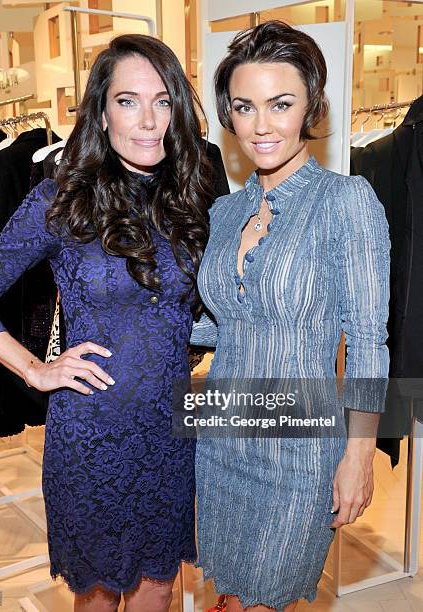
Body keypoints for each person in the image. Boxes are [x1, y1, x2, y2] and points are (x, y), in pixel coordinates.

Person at [0, 34, 222, 612]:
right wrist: (37, 371)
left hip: (171, 431)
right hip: (91, 435)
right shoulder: (62, 200)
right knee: (97, 596)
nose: (148, 121)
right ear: (101, 111)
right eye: (128, 101)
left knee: (158, 586)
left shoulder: (189, 196)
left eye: (163, 101)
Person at [190, 21, 390, 612]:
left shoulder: (346, 202)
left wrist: (358, 456)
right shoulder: (225, 212)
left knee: (267, 600)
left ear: (311, 106)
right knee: (225, 595)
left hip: (299, 449)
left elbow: (368, 341)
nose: (261, 125)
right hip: (222, 434)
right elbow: (219, 322)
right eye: (245, 107)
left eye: (281, 104)